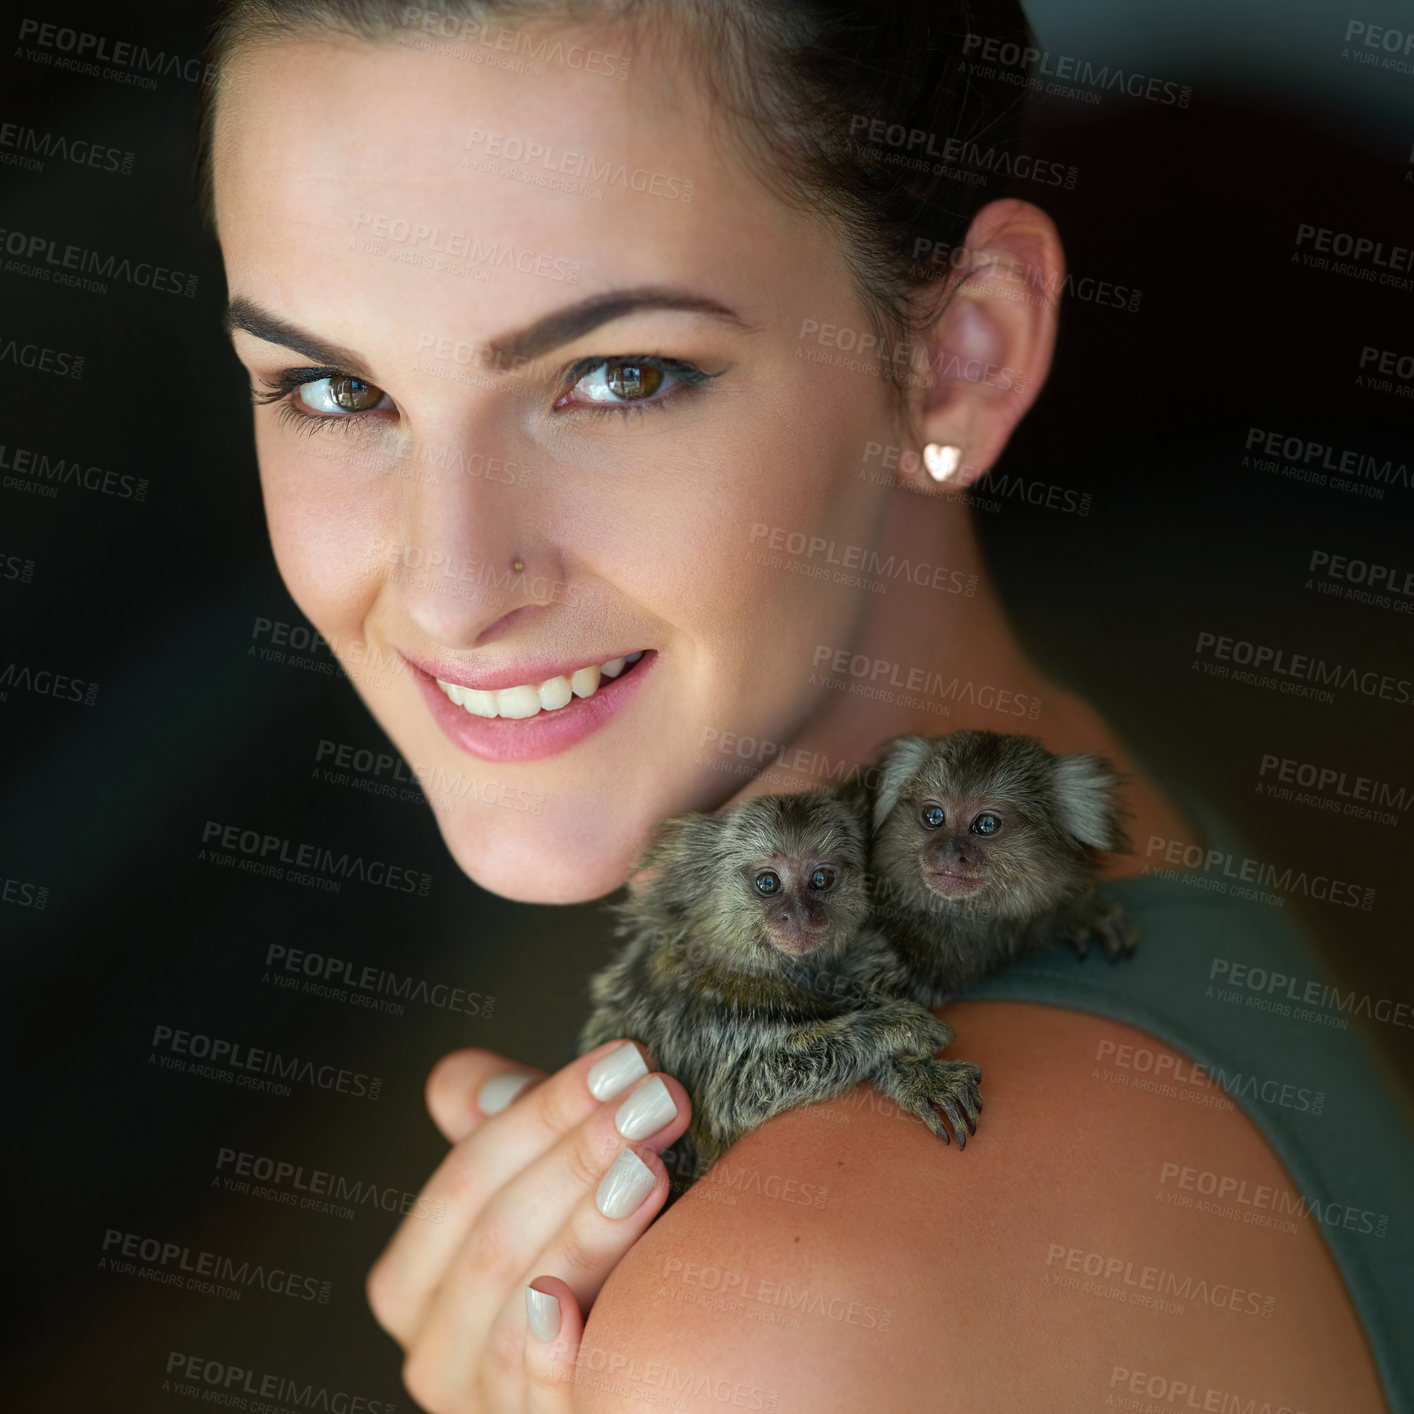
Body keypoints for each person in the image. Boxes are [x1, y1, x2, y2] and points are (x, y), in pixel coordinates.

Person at [199, 1, 1407, 1409]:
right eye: (330, 388)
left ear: (956, 351)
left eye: (618, 376)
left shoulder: (784, 1328)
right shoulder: (1078, 803)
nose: (452, 586)